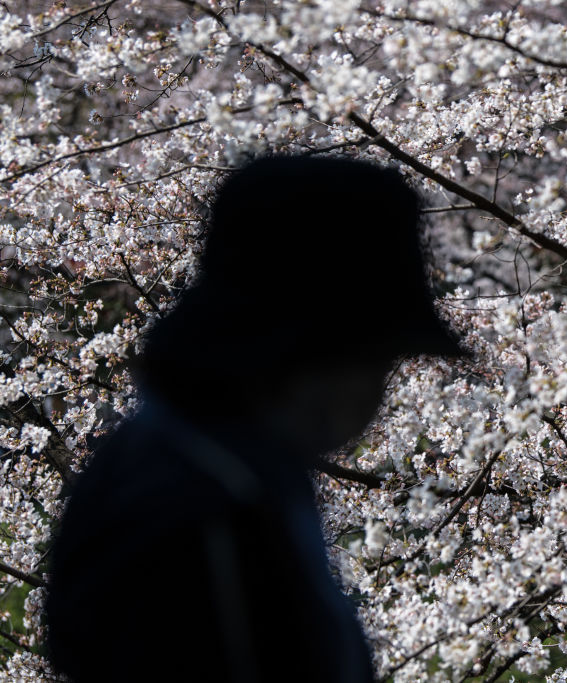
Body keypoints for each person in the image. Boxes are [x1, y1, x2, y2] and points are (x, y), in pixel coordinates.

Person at [45, 156, 464, 682]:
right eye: (379, 357)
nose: (379, 387)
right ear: (314, 350)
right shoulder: (204, 504)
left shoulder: (217, 465)